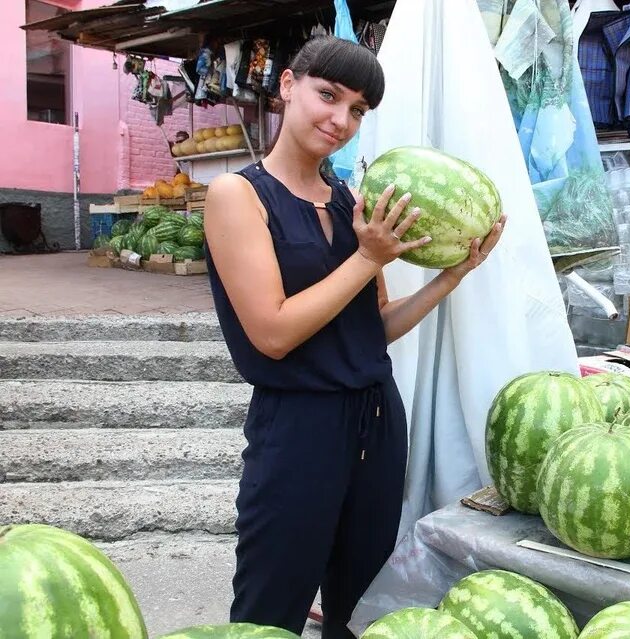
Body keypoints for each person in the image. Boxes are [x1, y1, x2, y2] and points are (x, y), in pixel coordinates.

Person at [203, 36, 506, 637]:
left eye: (359, 109)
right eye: (328, 95)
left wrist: (452, 275)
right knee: (271, 600)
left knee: (361, 600)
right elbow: (272, 333)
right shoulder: (237, 196)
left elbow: (377, 328)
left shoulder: (351, 203)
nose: (340, 120)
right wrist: (368, 257)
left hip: (376, 418)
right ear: (288, 85)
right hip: (297, 427)